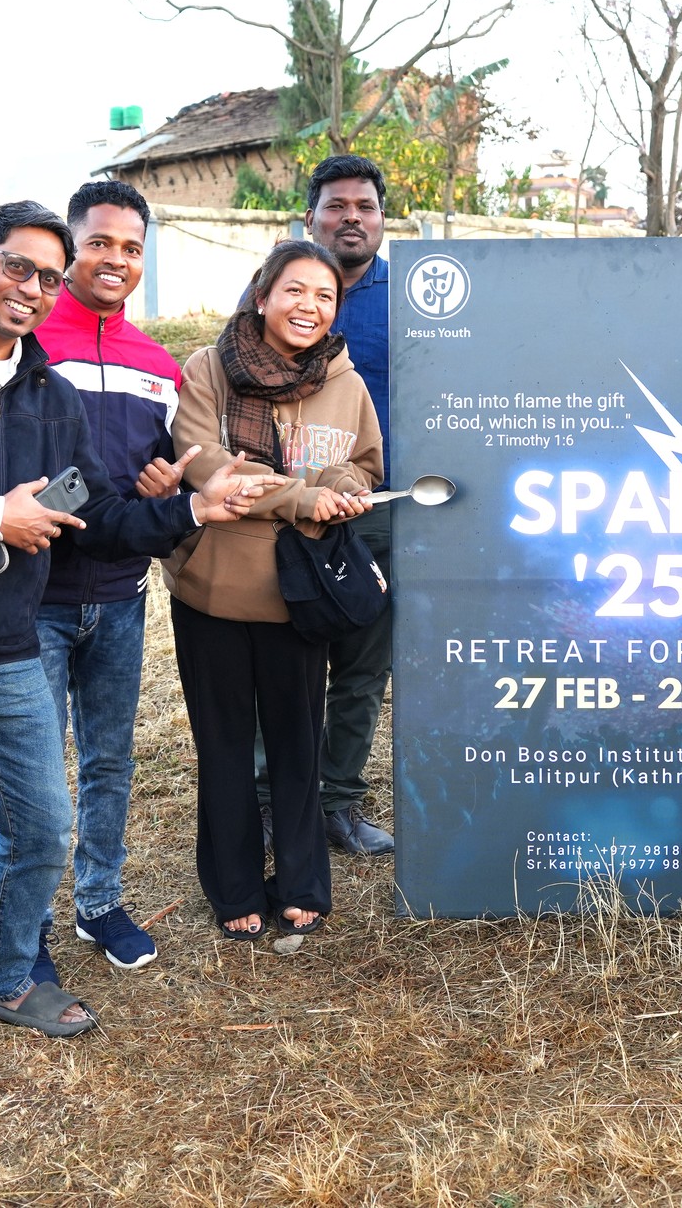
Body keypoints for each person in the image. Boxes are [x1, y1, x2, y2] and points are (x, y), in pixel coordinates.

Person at [0, 200, 257, 1092]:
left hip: (8, 644)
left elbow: (98, 514)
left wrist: (192, 509)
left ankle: (10, 977)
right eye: (18, 266)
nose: (34, 288)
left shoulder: (51, 392)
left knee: (42, 825)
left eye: (48, 277)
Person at [166, 239, 382, 940]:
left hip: (299, 591)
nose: (309, 306)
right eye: (294, 290)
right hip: (215, 588)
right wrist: (302, 497)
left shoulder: (346, 381)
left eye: (325, 295)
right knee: (225, 744)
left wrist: (342, 485)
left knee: (297, 743)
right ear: (262, 296)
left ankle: (301, 880)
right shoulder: (209, 369)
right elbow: (207, 467)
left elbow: (364, 463)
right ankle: (233, 886)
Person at [34, 180, 188, 971]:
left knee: (108, 760)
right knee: (33, 776)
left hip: (121, 598)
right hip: (32, 599)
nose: (115, 259)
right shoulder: (28, 342)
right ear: (70, 247)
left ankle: (98, 901)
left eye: (131, 247)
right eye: (99, 242)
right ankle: (24, 922)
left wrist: (167, 487)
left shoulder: (159, 366)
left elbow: (165, 472)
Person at [254, 154, 397, 856]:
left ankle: (337, 800)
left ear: (383, 218)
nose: (351, 218)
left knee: (363, 666)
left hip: (385, 506)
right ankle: (268, 803)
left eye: (364, 206)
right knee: (284, 661)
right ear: (310, 217)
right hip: (291, 508)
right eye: (336, 206)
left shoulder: (411, 298)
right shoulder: (277, 294)